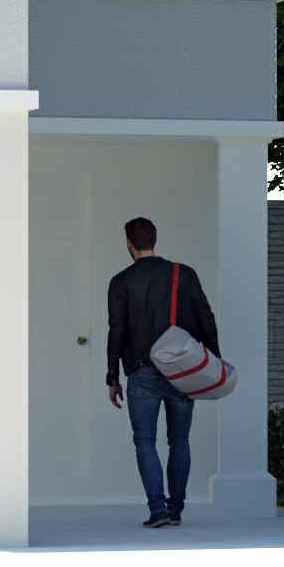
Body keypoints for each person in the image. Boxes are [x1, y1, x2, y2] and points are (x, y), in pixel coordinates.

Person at [104, 217, 221, 530]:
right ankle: (177, 508)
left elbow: (117, 330)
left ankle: (158, 510)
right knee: (179, 440)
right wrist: (214, 360)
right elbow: (206, 317)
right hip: (182, 370)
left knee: (145, 441)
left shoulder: (120, 281)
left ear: (128, 242)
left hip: (141, 370)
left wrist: (112, 376)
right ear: (155, 239)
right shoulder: (184, 274)